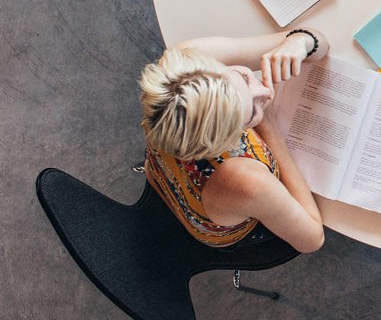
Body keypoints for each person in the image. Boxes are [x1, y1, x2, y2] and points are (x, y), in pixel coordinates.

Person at [139, 27, 329, 252]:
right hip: (219, 223)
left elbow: (319, 41)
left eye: (244, 76)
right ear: (226, 141)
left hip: (163, 172)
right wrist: (269, 128)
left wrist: (300, 43)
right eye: (251, 113)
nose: (265, 92)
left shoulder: (188, 62)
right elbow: (312, 239)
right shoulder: (248, 181)